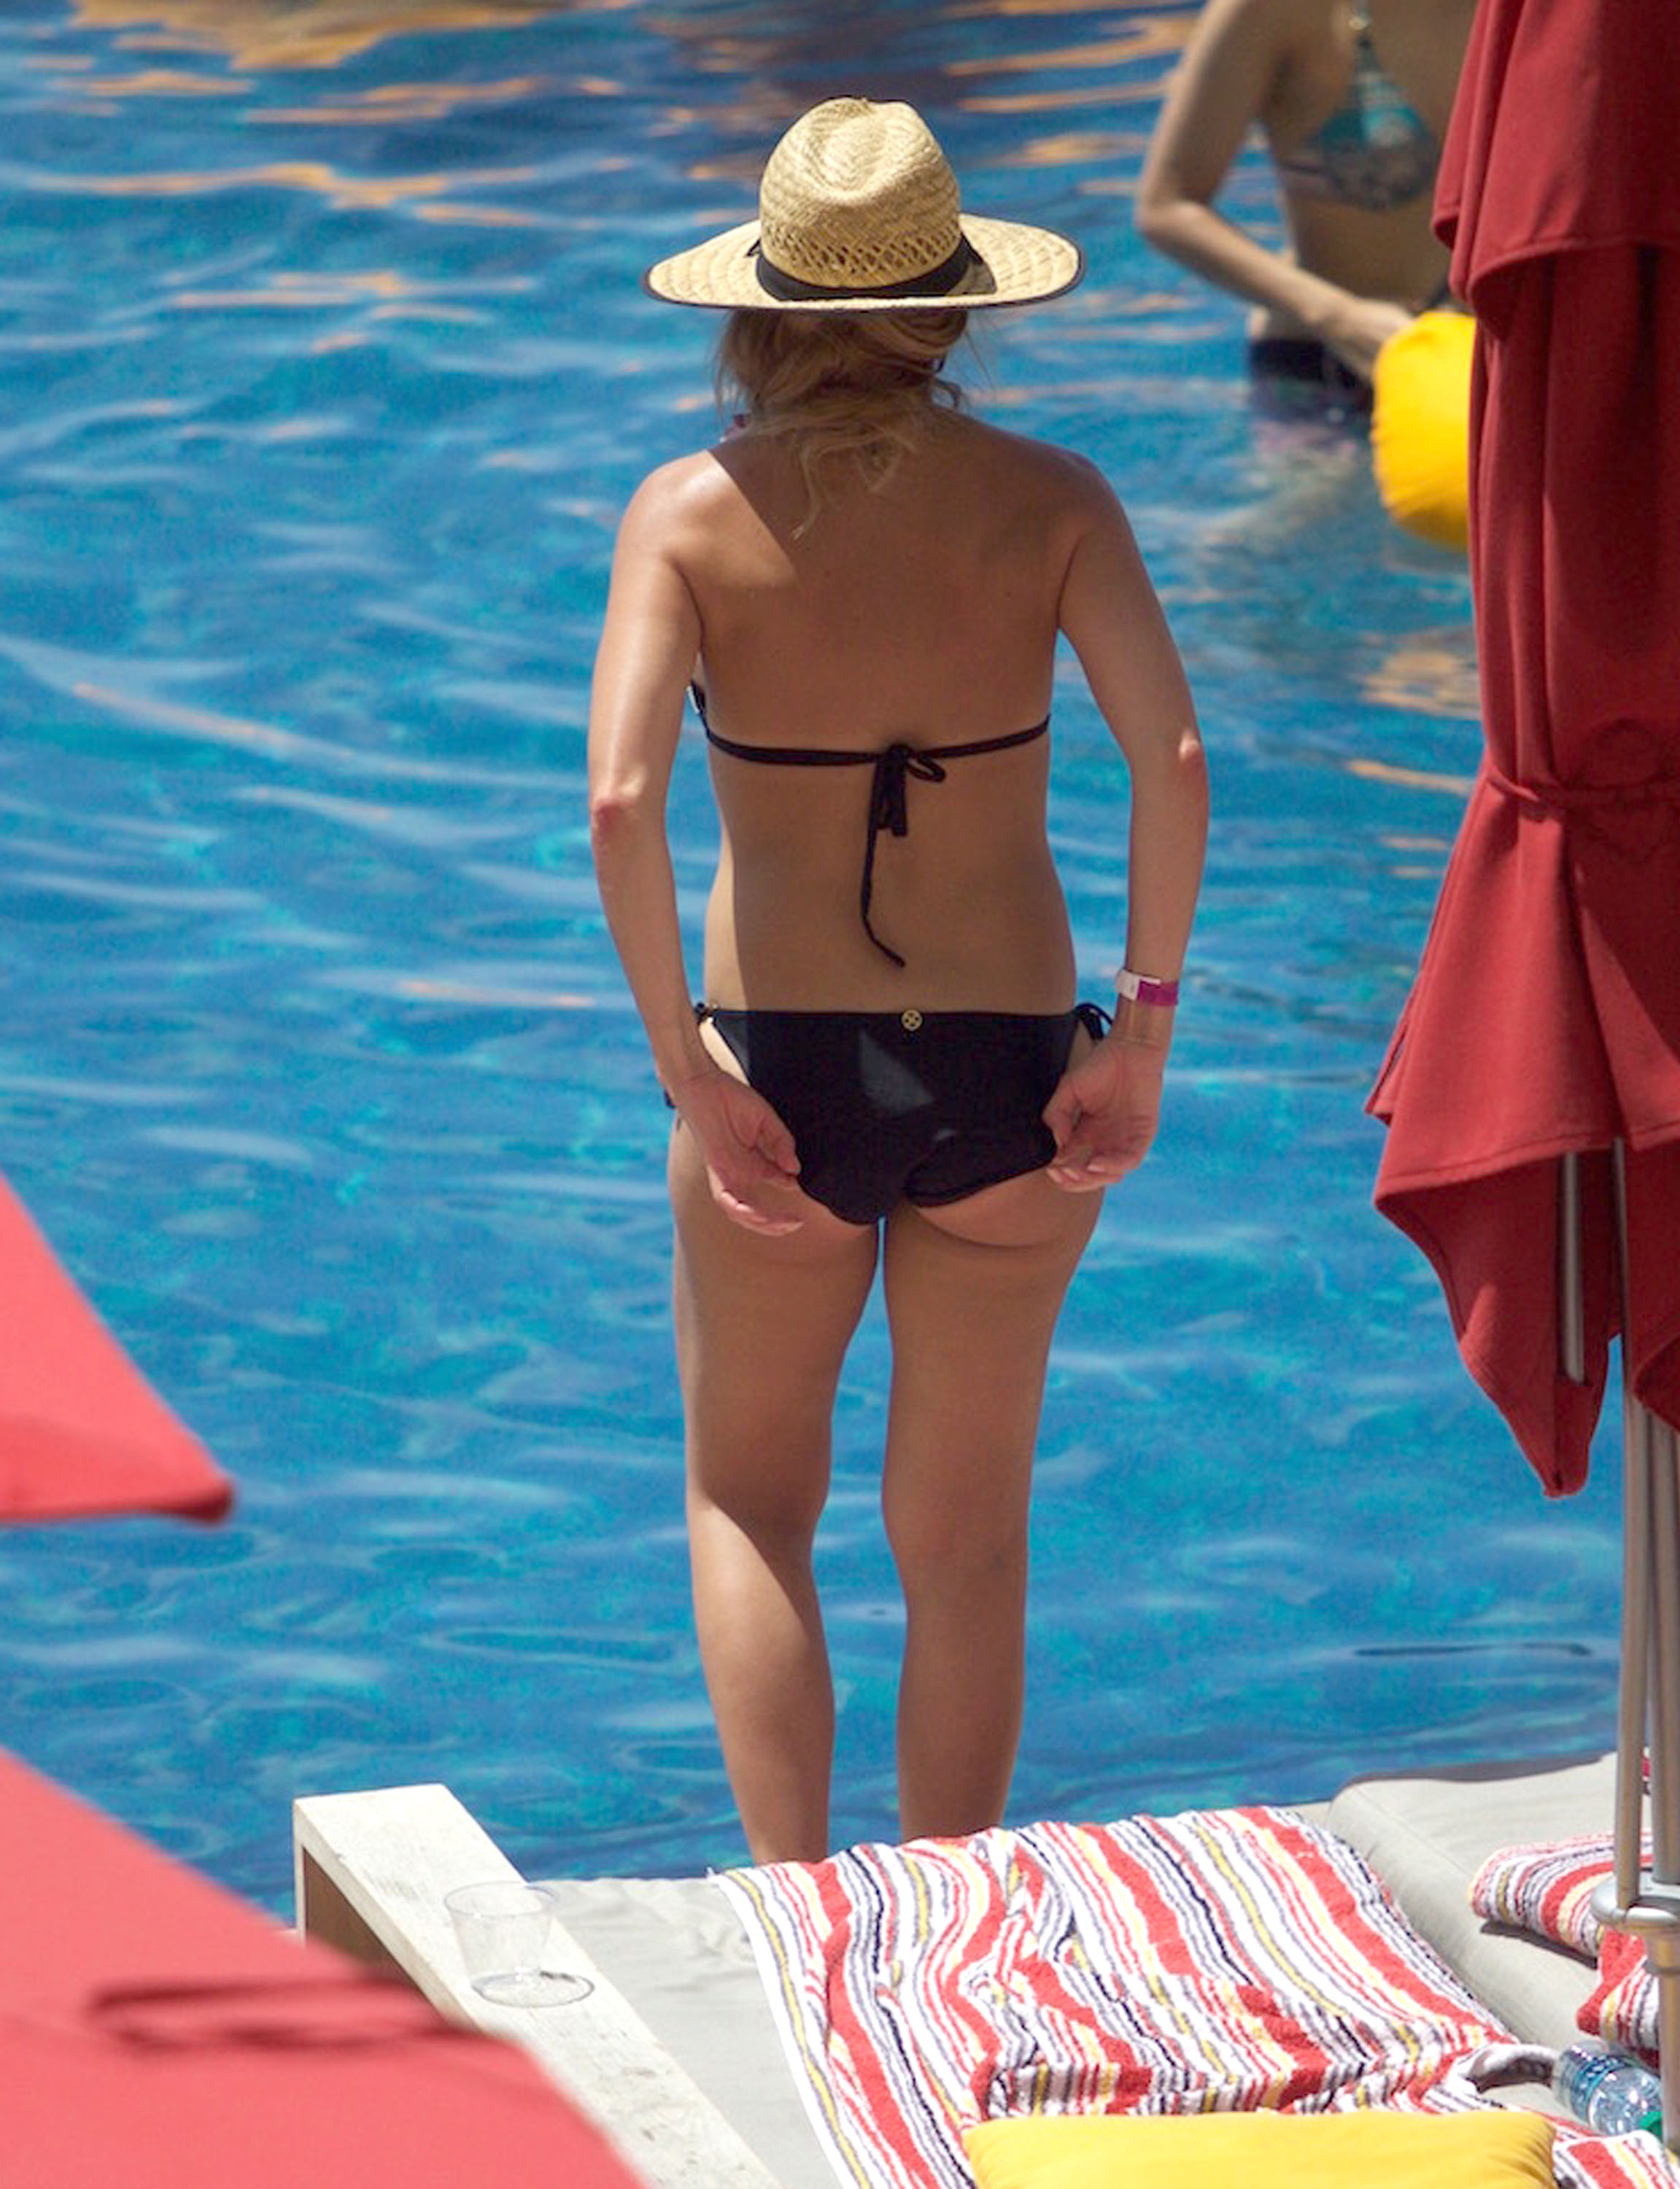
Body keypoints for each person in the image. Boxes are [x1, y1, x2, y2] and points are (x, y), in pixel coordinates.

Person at [589, 98, 1208, 1864]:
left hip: (771, 1070)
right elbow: (1171, 762)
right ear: (952, 306)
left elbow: (620, 800)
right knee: (967, 1542)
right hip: (1013, 1069)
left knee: (747, 1502)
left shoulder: (687, 513)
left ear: (755, 306)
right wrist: (1141, 1035)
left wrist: (686, 1071)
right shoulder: (1053, 500)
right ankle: (952, 1913)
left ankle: (798, 1910)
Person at [1134, 0, 1474, 406]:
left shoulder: (1513, 12)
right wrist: (1339, 317)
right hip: (1320, 365)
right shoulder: (1268, 10)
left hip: (1472, 350)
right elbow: (1167, 207)